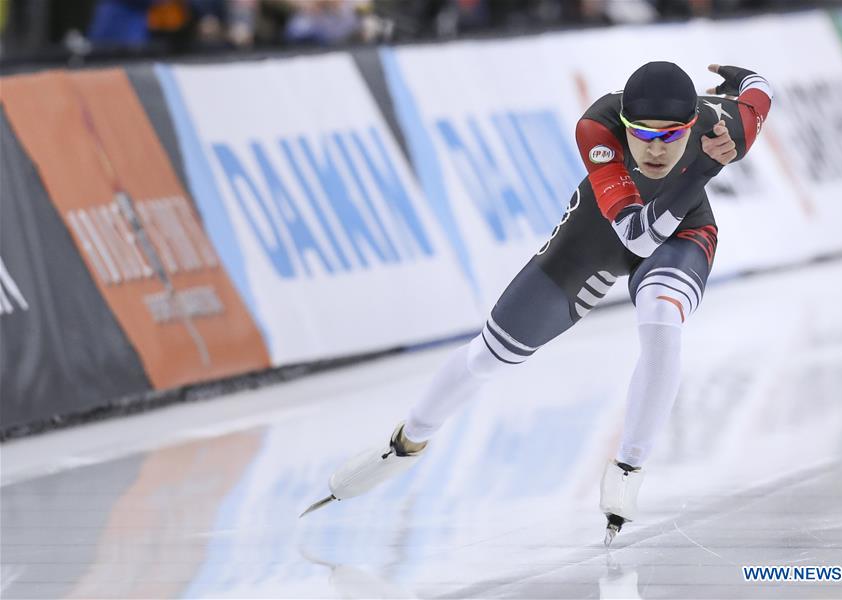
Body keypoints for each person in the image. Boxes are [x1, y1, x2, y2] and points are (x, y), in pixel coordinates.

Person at [302, 61, 773, 545]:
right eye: (643, 134)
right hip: (597, 235)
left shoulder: (723, 127)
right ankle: (405, 444)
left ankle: (628, 467)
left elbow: (759, 93)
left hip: (683, 232)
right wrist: (703, 168)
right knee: (489, 355)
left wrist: (738, 79)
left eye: (671, 136)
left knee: (660, 316)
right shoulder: (598, 128)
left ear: (692, 125)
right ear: (624, 125)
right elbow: (636, 236)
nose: (656, 149)